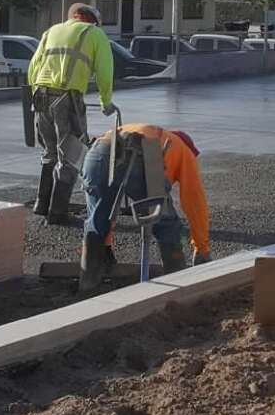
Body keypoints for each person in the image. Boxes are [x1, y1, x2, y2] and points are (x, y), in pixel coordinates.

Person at [78, 123, 210, 293]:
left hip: (97, 151)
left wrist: (106, 244)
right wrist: (202, 249)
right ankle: (177, 282)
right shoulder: (183, 150)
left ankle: (88, 285)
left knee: (97, 222)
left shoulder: (155, 133)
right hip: (144, 152)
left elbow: (109, 209)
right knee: (167, 225)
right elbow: (195, 201)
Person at [26, 2, 116, 225]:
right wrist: (106, 101)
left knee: (50, 153)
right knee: (71, 156)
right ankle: (58, 213)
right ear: (92, 20)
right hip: (67, 98)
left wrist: (35, 94)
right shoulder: (94, 33)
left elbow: (33, 67)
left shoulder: (51, 31)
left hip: (40, 95)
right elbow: (105, 70)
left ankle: (42, 205)